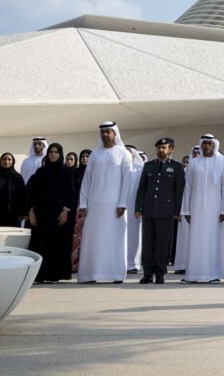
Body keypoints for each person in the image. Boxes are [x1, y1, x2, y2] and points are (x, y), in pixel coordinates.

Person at [78, 121, 133, 284]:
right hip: (95, 205)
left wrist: (122, 203)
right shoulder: (95, 154)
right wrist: (83, 203)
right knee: (93, 239)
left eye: (108, 132)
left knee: (114, 239)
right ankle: (91, 274)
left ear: (115, 133)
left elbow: (127, 180)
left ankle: (115, 274)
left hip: (115, 206)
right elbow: (86, 180)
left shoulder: (123, 153)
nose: (105, 135)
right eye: (102, 132)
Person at [134, 137, 185, 284]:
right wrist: (138, 207)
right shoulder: (149, 166)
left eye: (164, 147)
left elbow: (179, 190)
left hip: (166, 211)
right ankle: (148, 274)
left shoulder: (177, 167)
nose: (161, 150)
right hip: (149, 210)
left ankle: (160, 273)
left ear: (171, 149)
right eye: (159, 148)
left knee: (162, 244)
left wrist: (177, 212)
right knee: (147, 244)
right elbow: (141, 188)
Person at [182, 135, 224, 283]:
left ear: (214, 145)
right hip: (196, 208)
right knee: (196, 241)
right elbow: (188, 187)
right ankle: (193, 275)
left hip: (216, 210)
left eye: (210, 143)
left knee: (214, 241)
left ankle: (213, 274)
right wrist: (186, 210)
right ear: (201, 145)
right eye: (204, 143)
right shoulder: (193, 163)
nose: (207, 146)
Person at [27, 142, 77, 283]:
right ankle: (41, 275)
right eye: (51, 152)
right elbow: (33, 193)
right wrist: (31, 211)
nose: (53, 154)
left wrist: (66, 210)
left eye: (56, 152)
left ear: (60, 154)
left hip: (58, 215)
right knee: (41, 244)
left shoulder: (66, 172)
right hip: (41, 214)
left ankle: (55, 275)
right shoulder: (40, 172)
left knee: (56, 244)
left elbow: (71, 193)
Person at [174, 145, 199, 275]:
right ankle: (182, 265)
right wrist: (178, 210)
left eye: (199, 153)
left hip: (199, 208)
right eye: (194, 153)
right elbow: (177, 191)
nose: (196, 155)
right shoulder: (184, 170)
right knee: (184, 238)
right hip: (184, 209)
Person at [124, 144, 146, 273]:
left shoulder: (140, 169)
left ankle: (133, 264)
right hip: (120, 207)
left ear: (134, 154)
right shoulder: (118, 167)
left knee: (134, 236)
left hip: (135, 208)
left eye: (129, 152)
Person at [71, 149, 91, 272]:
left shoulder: (94, 172)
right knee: (77, 236)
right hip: (77, 207)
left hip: (92, 206)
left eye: (87, 156)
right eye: (83, 156)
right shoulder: (75, 172)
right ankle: (74, 264)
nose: (84, 159)